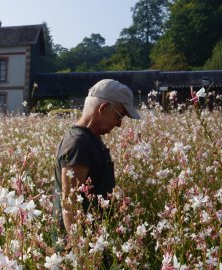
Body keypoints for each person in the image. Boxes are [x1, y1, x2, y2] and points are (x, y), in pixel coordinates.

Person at [52, 79, 141, 264]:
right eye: (119, 116)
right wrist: (82, 254)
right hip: (82, 248)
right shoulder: (79, 144)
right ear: (103, 108)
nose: (119, 124)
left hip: (93, 241)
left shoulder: (90, 139)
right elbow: (70, 204)